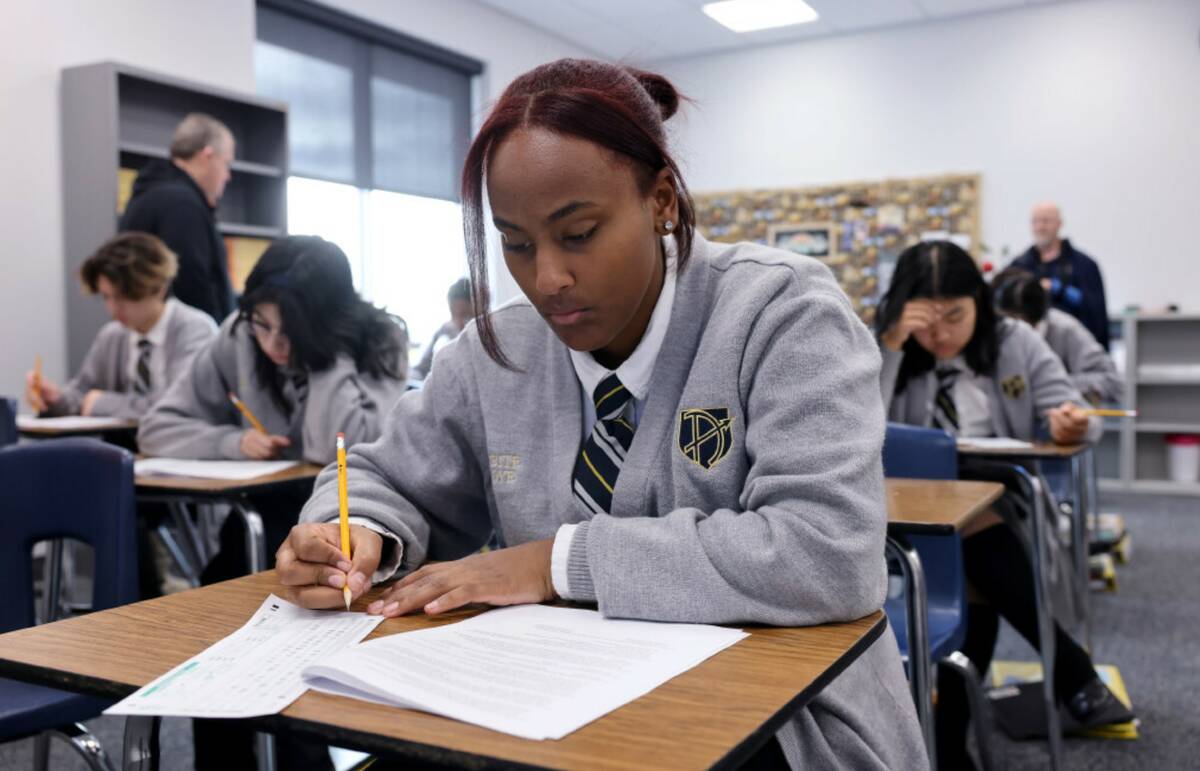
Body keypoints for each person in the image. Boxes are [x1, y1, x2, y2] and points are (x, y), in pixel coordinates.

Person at [275, 59, 927, 770]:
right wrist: (355, 528)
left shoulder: (782, 314)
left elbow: (826, 553)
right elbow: (383, 473)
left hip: (777, 724)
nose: (547, 277)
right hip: (549, 707)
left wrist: (557, 562)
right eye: (516, 244)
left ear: (662, 201)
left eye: (578, 232)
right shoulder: (499, 350)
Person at [138, 235, 409, 771]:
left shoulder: (380, 340)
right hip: (260, 526)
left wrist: (325, 354)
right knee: (218, 617)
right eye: (263, 324)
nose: (275, 345)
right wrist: (229, 442)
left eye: (291, 329)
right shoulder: (238, 337)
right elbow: (157, 426)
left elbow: (338, 448)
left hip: (355, 534)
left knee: (301, 660)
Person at [877, 240, 1133, 769]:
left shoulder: (1016, 342)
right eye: (926, 319)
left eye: (955, 316)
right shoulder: (884, 347)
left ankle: (951, 741)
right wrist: (892, 346)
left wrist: (1069, 422)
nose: (940, 333)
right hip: (902, 510)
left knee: (973, 550)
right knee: (976, 564)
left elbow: (1069, 413)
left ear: (979, 302)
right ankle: (1068, 672)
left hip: (995, 494)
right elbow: (854, 428)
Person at [25, 232, 216, 418]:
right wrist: (56, 399)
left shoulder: (194, 330)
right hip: (119, 448)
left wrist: (102, 404)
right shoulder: (113, 335)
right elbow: (83, 396)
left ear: (159, 288)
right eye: (106, 297)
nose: (113, 309)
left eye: (125, 297)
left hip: (174, 449)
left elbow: (180, 405)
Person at [119, 113, 236, 323]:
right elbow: (193, 285)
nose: (228, 176)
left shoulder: (153, 193)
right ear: (207, 156)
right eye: (226, 163)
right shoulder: (181, 205)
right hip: (188, 344)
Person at [992, 266, 1123, 404]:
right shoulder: (1002, 332)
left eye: (1013, 321)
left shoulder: (1066, 330)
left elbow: (1112, 382)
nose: (1007, 328)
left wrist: (1053, 385)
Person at [1011, 202, 1110, 350]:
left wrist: (1060, 290)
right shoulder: (1019, 265)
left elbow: (1094, 310)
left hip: (1074, 349)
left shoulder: (1084, 265)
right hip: (1030, 348)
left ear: (1059, 224)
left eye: (1046, 221)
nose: (1040, 227)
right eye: (1036, 221)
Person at [411, 277, 474, 380]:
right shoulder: (445, 332)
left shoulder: (478, 334)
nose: (459, 321)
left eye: (465, 315)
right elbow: (422, 367)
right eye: (453, 313)